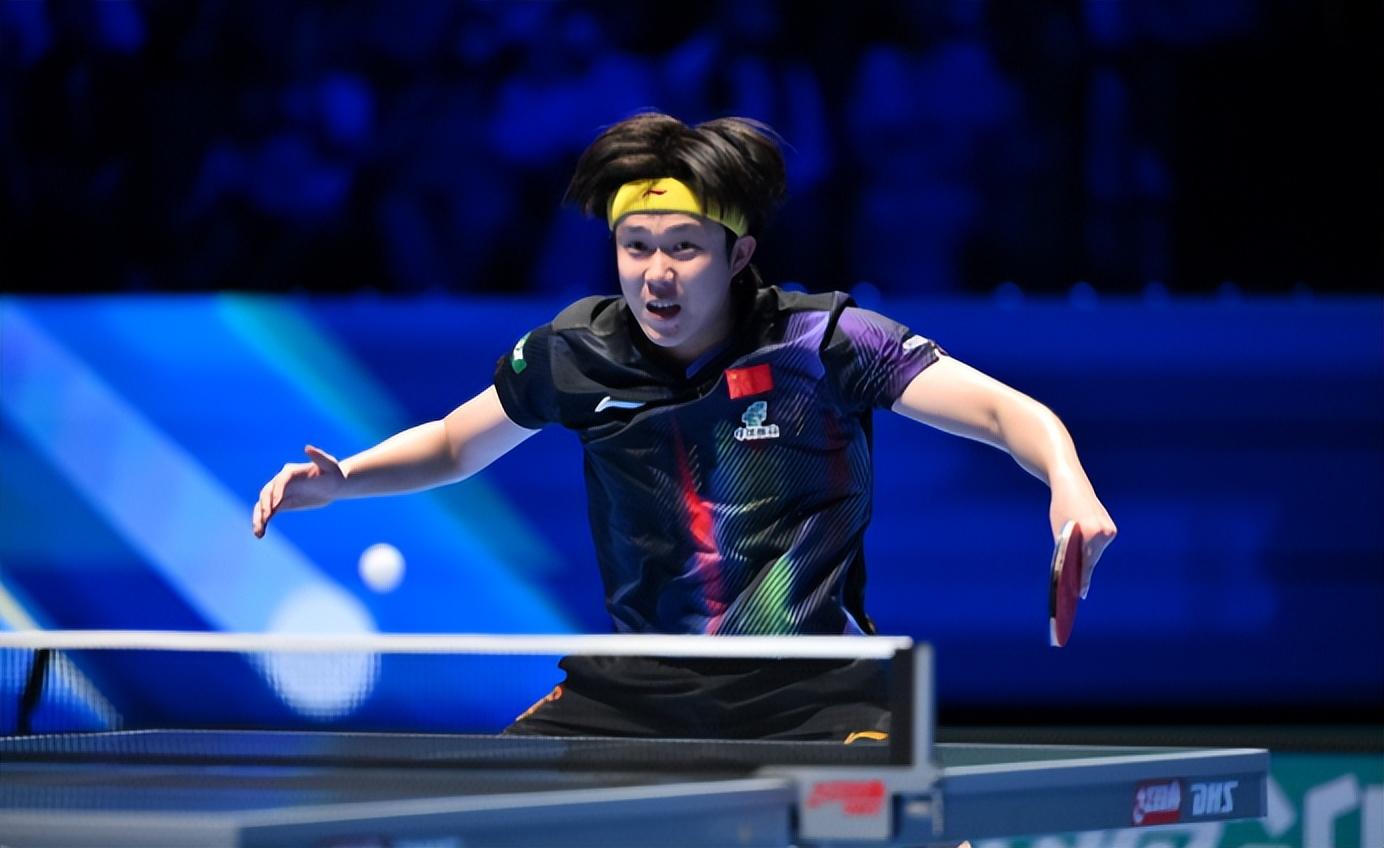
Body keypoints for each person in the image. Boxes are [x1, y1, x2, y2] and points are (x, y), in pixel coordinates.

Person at [251, 112, 1117, 742]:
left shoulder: (823, 343)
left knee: (894, 828)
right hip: (639, 693)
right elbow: (451, 442)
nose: (655, 274)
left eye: (684, 248)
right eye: (635, 246)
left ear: (738, 254)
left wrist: (1067, 483)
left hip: (815, 694)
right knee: (487, 820)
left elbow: (1005, 411)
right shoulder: (574, 354)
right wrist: (347, 479)